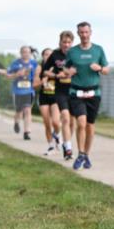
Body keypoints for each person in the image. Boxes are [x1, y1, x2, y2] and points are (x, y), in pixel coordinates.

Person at [63, 21, 109, 170]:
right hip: (76, 92)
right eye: (81, 32)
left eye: (86, 32)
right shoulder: (73, 51)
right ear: (78, 34)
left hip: (93, 92)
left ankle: (86, 154)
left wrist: (100, 68)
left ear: (90, 32)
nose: (84, 35)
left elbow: (106, 69)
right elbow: (65, 67)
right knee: (81, 123)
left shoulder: (98, 50)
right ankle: (81, 153)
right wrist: (68, 72)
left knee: (90, 125)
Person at [43, 31, 76, 160]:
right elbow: (45, 71)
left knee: (72, 122)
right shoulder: (55, 55)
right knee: (66, 118)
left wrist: (71, 73)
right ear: (60, 42)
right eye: (64, 42)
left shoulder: (76, 54)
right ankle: (68, 149)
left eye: (69, 42)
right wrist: (56, 75)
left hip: (74, 90)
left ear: (72, 43)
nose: (66, 45)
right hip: (60, 91)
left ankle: (67, 143)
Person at [34, 47, 61, 155]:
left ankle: (58, 135)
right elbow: (34, 85)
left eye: (51, 54)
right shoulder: (40, 68)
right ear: (43, 56)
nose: (48, 56)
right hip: (44, 96)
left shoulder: (57, 67)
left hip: (56, 96)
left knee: (55, 121)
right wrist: (42, 81)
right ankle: (50, 145)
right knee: (47, 123)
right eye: (46, 54)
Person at [7, 46, 36, 140]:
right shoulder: (15, 63)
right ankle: (16, 122)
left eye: (27, 52)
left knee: (27, 110)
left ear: (30, 53)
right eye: (24, 52)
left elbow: (38, 74)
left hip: (29, 90)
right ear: (20, 53)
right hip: (18, 91)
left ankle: (26, 132)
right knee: (18, 112)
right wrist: (16, 74)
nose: (26, 54)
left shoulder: (34, 63)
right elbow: (8, 75)